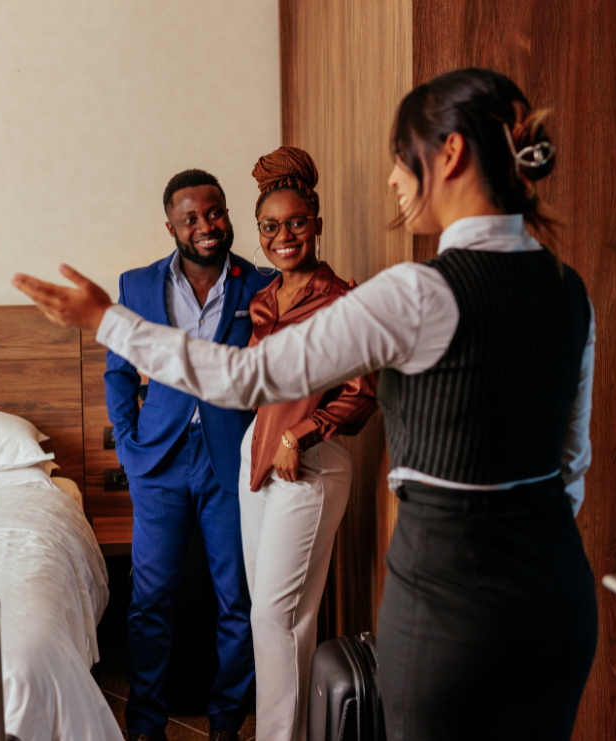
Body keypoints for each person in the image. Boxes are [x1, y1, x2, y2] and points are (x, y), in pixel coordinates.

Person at [13, 67, 598, 741]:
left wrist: (105, 319)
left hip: (451, 599)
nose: (393, 181)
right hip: (557, 589)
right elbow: (569, 464)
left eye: (401, 159)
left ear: (452, 154)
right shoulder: (567, 287)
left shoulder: (416, 293)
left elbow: (248, 377)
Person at [104, 169, 274, 741]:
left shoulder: (263, 284)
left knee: (238, 602)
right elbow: (118, 373)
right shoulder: (137, 286)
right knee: (149, 601)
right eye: (191, 218)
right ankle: (147, 724)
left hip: (233, 460)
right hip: (160, 463)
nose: (206, 225)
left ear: (228, 214)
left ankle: (227, 724)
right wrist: (129, 448)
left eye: (215, 212)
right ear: (171, 226)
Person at [240, 146, 377, 741]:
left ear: (317, 224)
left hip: (310, 468)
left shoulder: (343, 300)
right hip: (260, 462)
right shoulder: (263, 301)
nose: (284, 235)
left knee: (280, 617)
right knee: (268, 618)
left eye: (297, 222)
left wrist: (300, 431)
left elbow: (363, 392)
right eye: (271, 226)